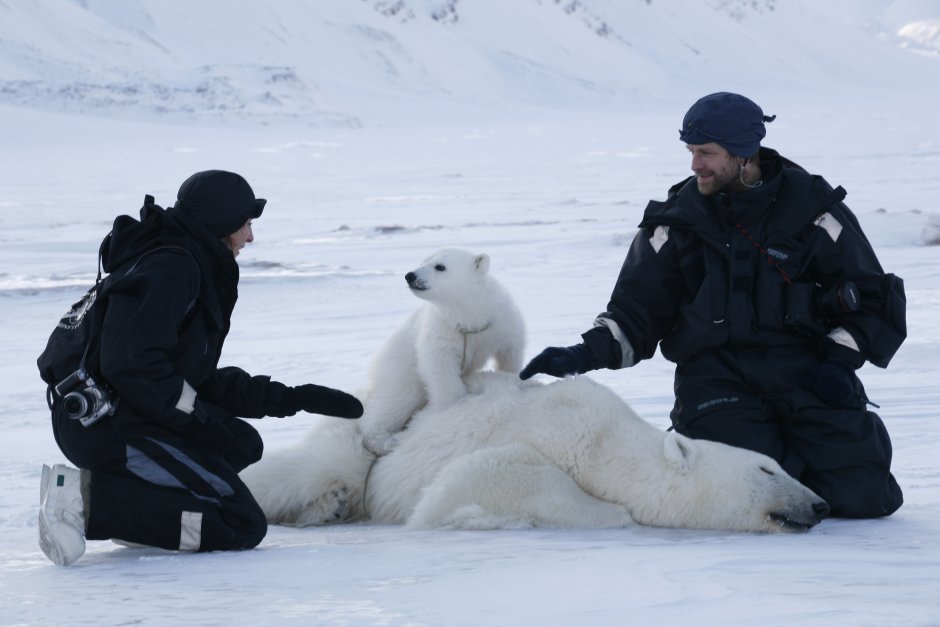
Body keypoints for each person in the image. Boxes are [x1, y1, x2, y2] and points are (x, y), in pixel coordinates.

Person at [520, 93, 906, 519]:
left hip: (806, 372)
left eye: (706, 153)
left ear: (744, 154)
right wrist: (581, 354)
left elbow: (872, 296)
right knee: (744, 497)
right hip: (716, 381)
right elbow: (635, 312)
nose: (694, 165)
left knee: (865, 499)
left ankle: (812, 453)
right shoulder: (676, 220)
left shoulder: (812, 209)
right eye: (690, 152)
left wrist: (838, 364)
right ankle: (738, 452)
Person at [37, 170, 364, 566]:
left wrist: (289, 398)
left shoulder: (186, 260)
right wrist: (198, 419)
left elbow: (192, 376)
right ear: (222, 222)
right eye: (246, 224)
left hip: (120, 414)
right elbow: (132, 365)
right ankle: (85, 501)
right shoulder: (172, 269)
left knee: (239, 443)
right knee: (239, 524)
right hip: (108, 426)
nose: (250, 237)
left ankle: (146, 518)